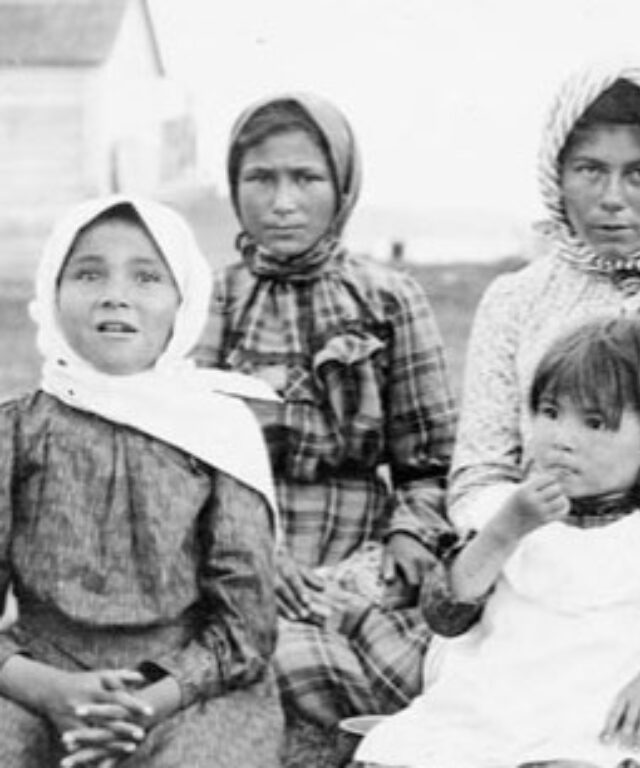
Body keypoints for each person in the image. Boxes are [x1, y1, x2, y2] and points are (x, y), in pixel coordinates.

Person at [447, 62, 640, 674]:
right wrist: (525, 532)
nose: (612, 197)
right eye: (589, 169)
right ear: (556, 176)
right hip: (538, 565)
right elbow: (479, 471)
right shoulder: (514, 299)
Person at [192, 92, 458, 743]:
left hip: (364, 549)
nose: (282, 201)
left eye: (306, 178)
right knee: (289, 659)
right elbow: (183, 460)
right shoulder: (208, 298)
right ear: (235, 187)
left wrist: (410, 538)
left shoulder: (390, 298)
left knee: (424, 673)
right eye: (261, 178)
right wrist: (248, 551)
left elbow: (430, 462)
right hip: (246, 552)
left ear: (342, 187)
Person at [355, 318, 640, 768]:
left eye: (595, 423)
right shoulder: (506, 511)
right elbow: (445, 614)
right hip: (492, 701)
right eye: (550, 413)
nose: (561, 439)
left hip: (595, 711)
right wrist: (505, 530)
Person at [0, 195, 282, 767]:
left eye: (147, 277)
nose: (115, 294)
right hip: (35, 676)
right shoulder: (16, 430)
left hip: (187, 687)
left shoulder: (217, 434)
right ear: (52, 293)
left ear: (184, 301)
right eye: (88, 273)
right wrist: (45, 689)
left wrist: (148, 703)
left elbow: (246, 626)